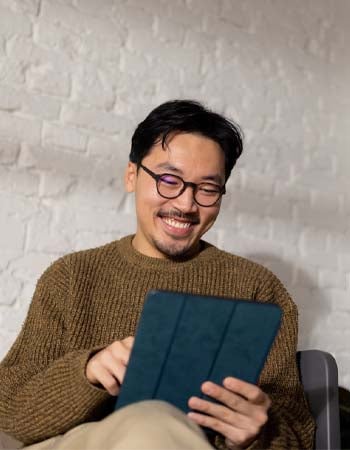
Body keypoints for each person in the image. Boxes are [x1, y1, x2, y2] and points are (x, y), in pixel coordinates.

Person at [0, 100, 315, 449]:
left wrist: (258, 434)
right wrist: (88, 371)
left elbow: (299, 432)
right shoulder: (72, 277)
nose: (185, 204)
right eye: (169, 180)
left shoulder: (258, 289)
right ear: (132, 175)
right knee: (149, 420)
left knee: (156, 423)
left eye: (208, 189)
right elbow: (9, 413)